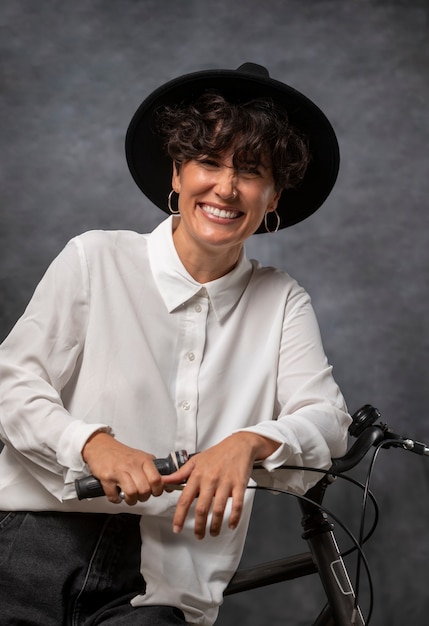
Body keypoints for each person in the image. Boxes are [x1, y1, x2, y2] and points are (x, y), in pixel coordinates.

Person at [0, 62, 350, 625]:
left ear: (274, 195)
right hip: (36, 544)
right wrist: (90, 443)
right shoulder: (95, 258)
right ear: (177, 173)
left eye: (252, 171)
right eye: (209, 162)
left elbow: (328, 420)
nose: (227, 188)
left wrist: (250, 442)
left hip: (168, 585)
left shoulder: (283, 301)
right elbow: (11, 385)